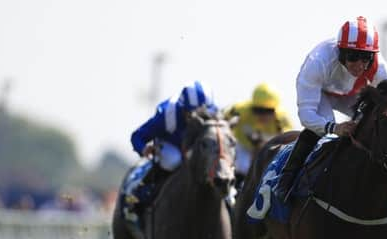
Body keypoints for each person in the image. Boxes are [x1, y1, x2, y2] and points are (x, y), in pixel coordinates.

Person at [274, 16, 387, 201]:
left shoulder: (379, 66)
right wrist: (334, 128)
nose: (360, 65)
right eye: (353, 57)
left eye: (366, 58)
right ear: (340, 51)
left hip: (352, 95)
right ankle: (286, 180)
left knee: (373, 123)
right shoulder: (318, 61)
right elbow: (307, 115)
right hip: (321, 94)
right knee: (323, 133)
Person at [124, 80, 217, 225]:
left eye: (204, 115)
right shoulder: (167, 116)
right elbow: (137, 136)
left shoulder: (214, 112)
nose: (200, 120)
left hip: (196, 147)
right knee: (174, 160)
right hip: (172, 145)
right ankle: (139, 198)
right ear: (184, 109)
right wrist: (143, 148)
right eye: (194, 115)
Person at [224, 83, 293, 186]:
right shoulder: (240, 110)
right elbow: (223, 123)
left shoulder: (282, 119)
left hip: (268, 151)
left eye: (268, 111)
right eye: (258, 110)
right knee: (241, 166)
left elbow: (289, 142)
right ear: (252, 106)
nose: (262, 115)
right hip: (243, 147)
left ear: (275, 110)